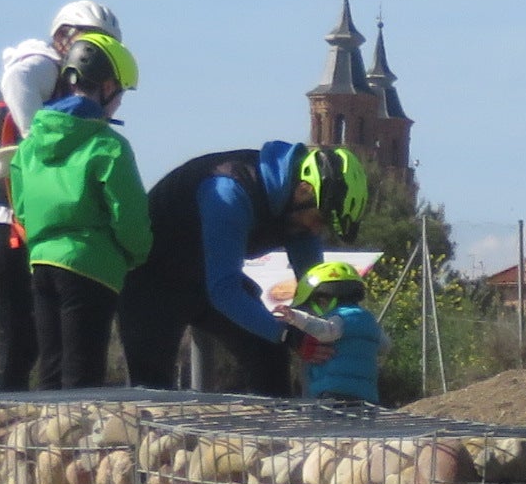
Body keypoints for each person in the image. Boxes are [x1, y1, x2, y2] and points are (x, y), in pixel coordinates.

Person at [121, 141, 371, 395]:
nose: (317, 230)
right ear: (303, 190)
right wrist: (290, 336)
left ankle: (276, 429)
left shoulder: (300, 211)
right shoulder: (229, 191)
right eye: (319, 219)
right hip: (152, 283)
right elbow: (224, 291)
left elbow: (314, 284)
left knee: (268, 352)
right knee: (151, 395)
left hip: (209, 278)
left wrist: (341, 323)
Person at [0, 0, 119, 392]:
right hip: (3, 221)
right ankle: (0, 433)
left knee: (33, 342)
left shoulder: (58, 74)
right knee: (19, 342)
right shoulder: (42, 62)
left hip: (17, 221)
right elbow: (16, 82)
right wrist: (39, 140)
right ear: (62, 38)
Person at [5, 32, 149, 389]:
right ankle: (77, 444)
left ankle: (47, 441)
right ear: (108, 86)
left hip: (41, 264)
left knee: (51, 369)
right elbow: (129, 217)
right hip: (92, 267)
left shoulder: (31, 143)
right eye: (121, 94)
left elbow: (21, 207)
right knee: (83, 374)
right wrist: (135, 254)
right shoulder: (109, 146)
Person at [288, 259, 389, 407]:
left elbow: (325, 331)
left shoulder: (339, 319)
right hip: (368, 396)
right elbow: (385, 345)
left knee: (329, 429)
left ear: (322, 301)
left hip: (333, 394)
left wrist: (295, 318)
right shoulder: (370, 321)